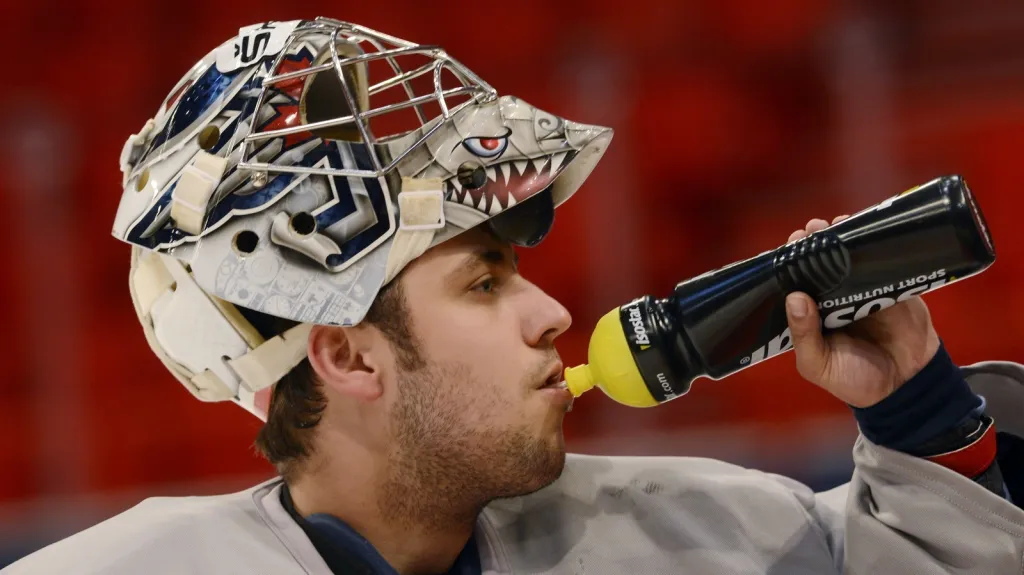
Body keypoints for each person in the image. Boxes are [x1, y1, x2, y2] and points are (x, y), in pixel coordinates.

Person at [5, 17, 1023, 575]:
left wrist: (915, 414)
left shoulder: (705, 535)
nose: (550, 314)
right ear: (348, 354)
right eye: (483, 281)